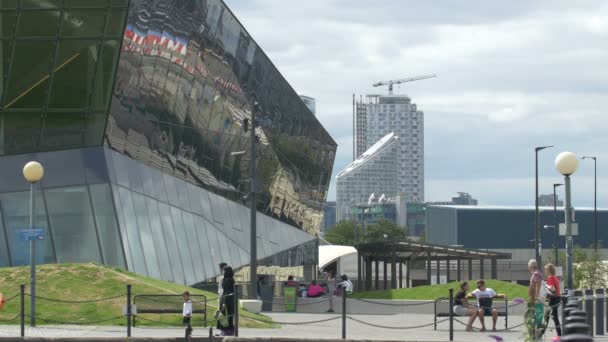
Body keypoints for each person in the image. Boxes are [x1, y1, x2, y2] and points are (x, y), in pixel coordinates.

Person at [544, 263, 562, 336]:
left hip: (553, 299)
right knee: (548, 316)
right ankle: (541, 332)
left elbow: (552, 288)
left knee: (554, 318)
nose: (545, 271)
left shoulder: (550, 277)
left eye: (545, 269)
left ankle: (559, 335)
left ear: (549, 270)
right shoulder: (555, 277)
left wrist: (545, 285)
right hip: (557, 298)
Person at [217, 266, 235, 336]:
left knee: (223, 315)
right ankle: (229, 331)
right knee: (229, 316)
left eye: (224, 271)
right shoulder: (232, 279)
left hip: (225, 299)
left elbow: (226, 291)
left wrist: (223, 302)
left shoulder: (226, 280)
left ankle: (224, 331)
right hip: (230, 300)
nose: (223, 272)